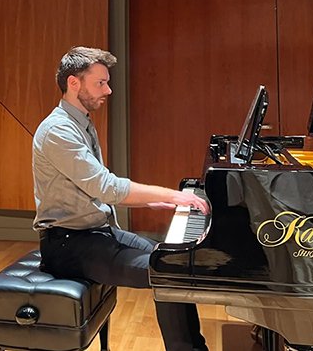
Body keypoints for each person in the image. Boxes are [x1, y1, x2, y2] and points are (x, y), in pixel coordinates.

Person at [33, 46, 211, 351]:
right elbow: (106, 187)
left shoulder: (80, 122)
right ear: (73, 83)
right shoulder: (58, 131)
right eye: (100, 83)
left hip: (95, 233)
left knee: (173, 263)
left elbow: (98, 188)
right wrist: (173, 195)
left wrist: (150, 201)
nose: (108, 90)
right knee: (168, 271)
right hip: (68, 245)